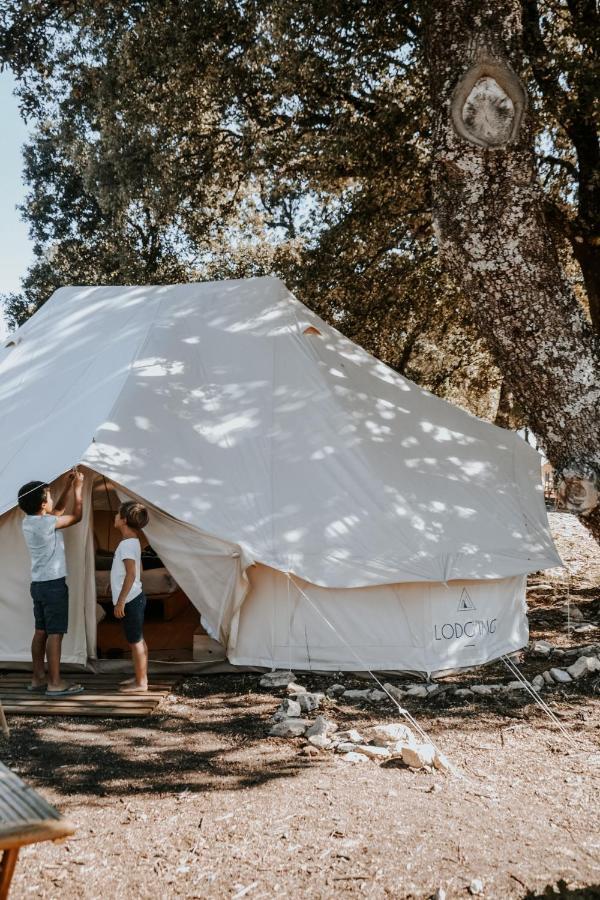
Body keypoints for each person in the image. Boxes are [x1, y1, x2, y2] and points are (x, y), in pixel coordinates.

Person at [18, 469, 85, 696]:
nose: (52, 498)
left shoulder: (30, 522)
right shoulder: (46, 524)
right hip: (53, 585)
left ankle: (38, 677)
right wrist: (78, 490)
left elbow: (56, 512)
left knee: (41, 631)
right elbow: (76, 517)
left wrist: (66, 487)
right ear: (43, 504)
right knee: (55, 633)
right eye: (49, 495)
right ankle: (55, 683)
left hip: (38, 585)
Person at [111, 500, 150, 692]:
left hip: (131, 600)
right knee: (138, 639)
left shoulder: (127, 544)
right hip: (135, 597)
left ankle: (141, 682)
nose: (115, 517)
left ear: (124, 520)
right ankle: (139, 677)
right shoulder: (134, 540)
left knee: (135, 641)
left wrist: (120, 602)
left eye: (117, 514)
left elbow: (132, 573)